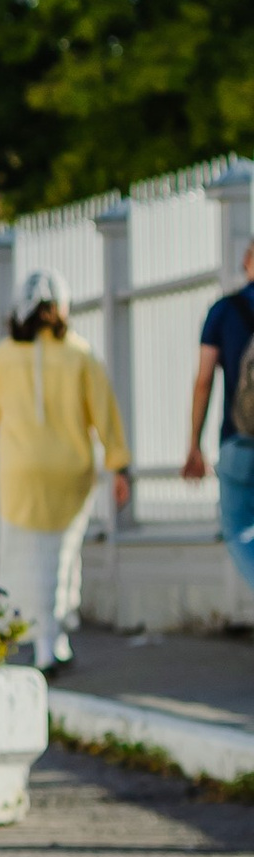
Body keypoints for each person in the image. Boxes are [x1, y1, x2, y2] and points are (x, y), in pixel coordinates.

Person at [0, 272, 128, 672]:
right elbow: (105, 415)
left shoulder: (3, 357)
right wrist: (118, 465)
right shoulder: (81, 355)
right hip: (71, 474)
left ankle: (31, 639)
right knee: (61, 555)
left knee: (21, 554)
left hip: (20, 474)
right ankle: (53, 641)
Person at [181, 235, 254, 600]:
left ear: (247, 260)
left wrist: (194, 445)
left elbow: (204, 381)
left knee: (240, 530)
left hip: (239, 441)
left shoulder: (224, 311)